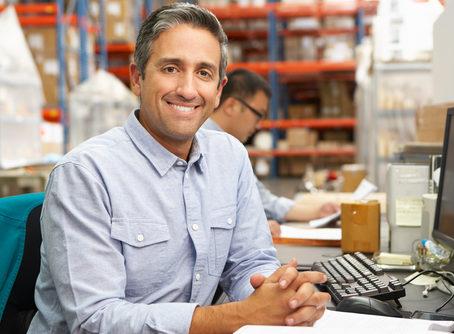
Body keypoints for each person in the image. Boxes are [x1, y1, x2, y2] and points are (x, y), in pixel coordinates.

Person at [27, 3, 330, 333]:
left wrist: (282, 297)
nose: (187, 89)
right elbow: (95, 320)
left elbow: (249, 262)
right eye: (171, 68)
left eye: (203, 73)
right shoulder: (85, 173)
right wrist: (242, 315)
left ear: (218, 90)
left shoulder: (231, 157)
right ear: (137, 78)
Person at [202, 68, 340, 236]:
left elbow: (261, 199)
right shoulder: (208, 144)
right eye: (258, 115)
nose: (259, 125)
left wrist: (317, 212)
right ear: (231, 106)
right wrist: (248, 229)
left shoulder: (228, 147)